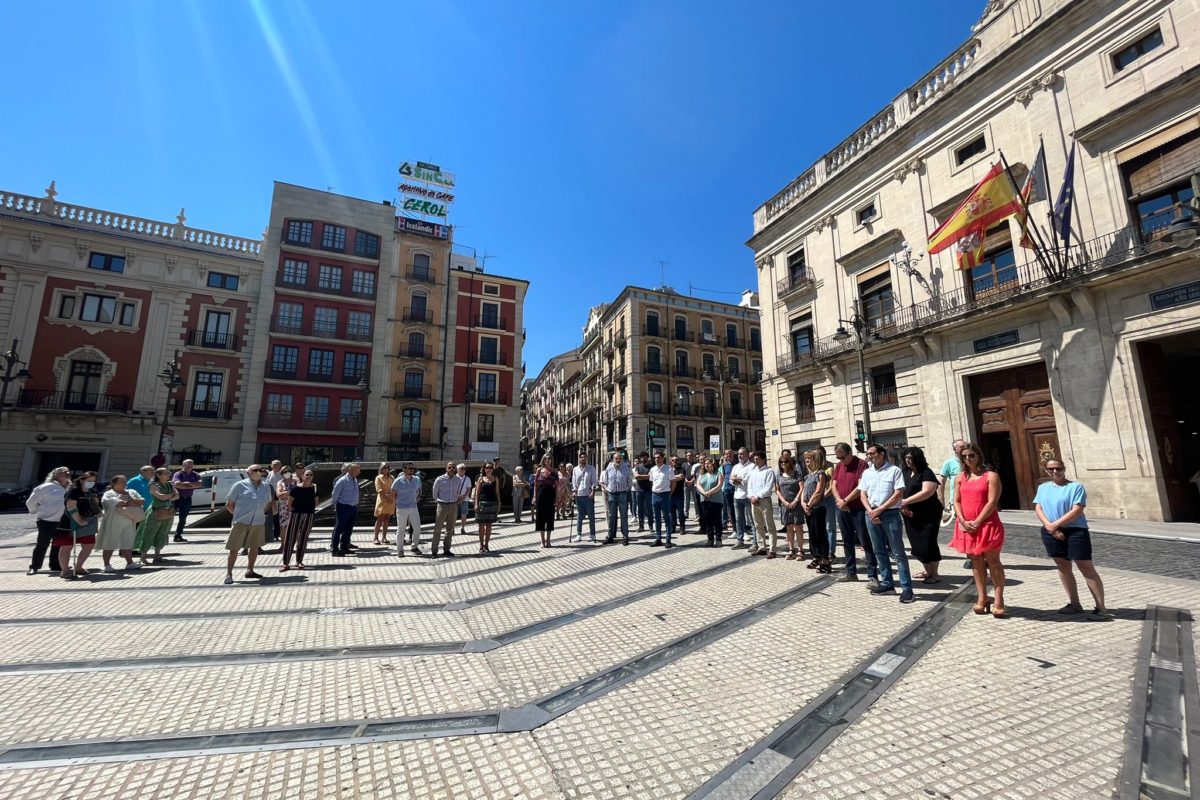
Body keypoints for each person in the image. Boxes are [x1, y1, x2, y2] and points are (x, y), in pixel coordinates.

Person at [1034, 459, 1108, 618]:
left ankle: (1101, 608)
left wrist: (1056, 524)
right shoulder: (1043, 488)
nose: (1055, 471)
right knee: (1062, 566)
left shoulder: (1075, 487)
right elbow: (1038, 507)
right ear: (1046, 470)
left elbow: (1077, 509)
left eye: (1058, 468)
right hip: (1050, 530)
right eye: (1051, 469)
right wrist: (1050, 526)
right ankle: (1074, 603)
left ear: (1064, 468)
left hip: (1075, 530)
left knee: (1085, 566)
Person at [951, 442, 1006, 617]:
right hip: (967, 525)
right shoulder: (960, 477)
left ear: (979, 456)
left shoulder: (991, 476)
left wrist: (978, 521)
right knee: (976, 562)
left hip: (987, 524)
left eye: (971, 455)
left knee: (993, 562)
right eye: (964, 456)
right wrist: (962, 520)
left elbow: (992, 502)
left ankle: (999, 599)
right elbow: (957, 500)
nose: (968, 459)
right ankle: (982, 597)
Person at [859, 444, 913, 603]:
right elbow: (863, 494)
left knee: (898, 552)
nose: (869, 457)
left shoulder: (894, 470)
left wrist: (880, 509)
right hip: (871, 514)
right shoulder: (867, 472)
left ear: (882, 454)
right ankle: (887, 583)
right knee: (878, 550)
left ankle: (907, 588)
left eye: (872, 454)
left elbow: (898, 493)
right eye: (868, 454)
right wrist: (871, 510)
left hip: (889, 514)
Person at [832, 443, 877, 586]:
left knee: (865, 541)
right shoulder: (839, 466)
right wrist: (839, 501)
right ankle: (851, 572)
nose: (841, 460)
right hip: (842, 509)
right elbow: (833, 485)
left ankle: (872, 576)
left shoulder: (861, 464)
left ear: (850, 453)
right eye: (838, 458)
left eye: (843, 457)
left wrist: (845, 500)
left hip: (857, 508)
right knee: (847, 541)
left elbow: (860, 486)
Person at [222, 464, 274, 584]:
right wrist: (238, 516)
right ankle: (229, 574)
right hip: (241, 521)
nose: (258, 472)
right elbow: (229, 504)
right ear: (248, 472)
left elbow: (267, 503)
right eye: (255, 470)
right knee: (234, 548)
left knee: (254, 547)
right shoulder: (239, 485)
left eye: (259, 470)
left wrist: (261, 512)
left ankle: (250, 570)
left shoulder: (266, 486)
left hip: (258, 521)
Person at [899, 447, 944, 584]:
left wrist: (905, 501)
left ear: (918, 458)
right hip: (910, 514)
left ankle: (934, 574)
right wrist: (902, 505)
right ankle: (927, 571)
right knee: (917, 543)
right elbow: (899, 490)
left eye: (911, 457)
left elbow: (927, 491)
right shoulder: (905, 472)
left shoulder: (926, 472)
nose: (908, 460)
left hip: (928, 513)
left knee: (928, 542)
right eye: (906, 457)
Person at [25, 466, 70, 575]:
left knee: (58, 544)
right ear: (56, 475)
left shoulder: (71, 487)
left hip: (63, 521)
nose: (68, 473)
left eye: (69, 472)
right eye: (65, 472)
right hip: (46, 520)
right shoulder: (45, 487)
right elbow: (31, 502)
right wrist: (37, 510)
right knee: (42, 544)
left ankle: (55, 565)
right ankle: (34, 566)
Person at [57, 471, 101, 579]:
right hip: (71, 522)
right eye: (89, 480)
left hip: (89, 522)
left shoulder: (91, 492)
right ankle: (65, 571)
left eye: (93, 481)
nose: (92, 483)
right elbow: (71, 506)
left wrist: (98, 511)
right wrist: (79, 520)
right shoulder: (74, 491)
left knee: (88, 545)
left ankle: (79, 567)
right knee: (67, 546)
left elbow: (95, 505)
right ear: (82, 480)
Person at [98, 475, 143, 572]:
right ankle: (106, 564)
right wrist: (131, 502)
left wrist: (131, 501)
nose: (124, 484)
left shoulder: (132, 492)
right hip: (113, 522)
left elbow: (142, 501)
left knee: (127, 542)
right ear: (114, 484)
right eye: (121, 482)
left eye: (125, 481)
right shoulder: (109, 493)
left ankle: (130, 563)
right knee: (109, 543)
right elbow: (116, 503)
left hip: (129, 521)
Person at [135, 467, 179, 566]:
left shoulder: (170, 484)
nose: (168, 475)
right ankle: (143, 557)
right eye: (166, 473)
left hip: (168, 512)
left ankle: (157, 556)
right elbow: (160, 496)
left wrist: (167, 496)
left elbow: (177, 496)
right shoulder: (153, 484)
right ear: (158, 475)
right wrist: (171, 496)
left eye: (168, 473)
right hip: (155, 512)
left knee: (163, 533)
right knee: (149, 533)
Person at [938, 439, 971, 568]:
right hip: (958, 502)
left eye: (966, 445)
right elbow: (941, 480)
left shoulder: (972, 460)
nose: (965, 448)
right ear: (955, 449)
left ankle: (980, 554)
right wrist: (942, 500)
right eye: (961, 446)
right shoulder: (950, 463)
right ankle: (970, 556)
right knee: (964, 530)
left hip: (973, 501)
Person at [280, 469, 317, 570]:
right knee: (290, 537)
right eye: (307, 474)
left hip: (309, 514)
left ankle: (299, 561)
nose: (309, 476)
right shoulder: (295, 488)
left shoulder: (314, 488)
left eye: (311, 474)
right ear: (302, 476)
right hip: (296, 514)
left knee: (303, 538)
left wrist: (310, 510)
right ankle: (285, 563)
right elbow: (290, 502)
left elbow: (316, 501)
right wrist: (292, 511)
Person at [801, 450, 831, 572]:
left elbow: (818, 492)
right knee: (812, 534)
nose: (807, 461)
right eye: (806, 459)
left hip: (818, 507)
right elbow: (803, 490)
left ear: (815, 460)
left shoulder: (820, 474)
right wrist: (803, 504)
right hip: (808, 508)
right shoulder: (807, 476)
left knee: (820, 534)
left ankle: (825, 560)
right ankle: (816, 557)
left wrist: (809, 504)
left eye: (809, 458)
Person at [748, 450, 779, 557]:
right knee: (758, 525)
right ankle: (761, 547)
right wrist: (751, 496)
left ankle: (772, 549)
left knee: (770, 526)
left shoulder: (769, 471)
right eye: (754, 459)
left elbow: (768, 487)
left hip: (764, 500)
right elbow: (750, 486)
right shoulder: (753, 471)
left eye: (757, 459)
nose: (755, 461)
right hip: (754, 502)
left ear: (763, 459)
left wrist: (757, 496)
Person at [776, 453, 805, 560]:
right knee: (788, 527)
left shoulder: (796, 474)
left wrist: (796, 500)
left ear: (790, 462)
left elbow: (802, 487)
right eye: (781, 462)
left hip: (796, 504)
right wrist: (784, 502)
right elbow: (777, 490)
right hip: (785, 505)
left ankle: (801, 550)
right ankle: (791, 549)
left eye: (785, 462)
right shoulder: (779, 475)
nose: (783, 464)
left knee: (798, 527)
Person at [601, 451, 633, 544]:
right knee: (611, 516)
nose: (618, 460)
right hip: (612, 494)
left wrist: (626, 489)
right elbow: (606, 480)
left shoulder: (626, 468)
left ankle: (625, 537)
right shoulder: (609, 468)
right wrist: (608, 489)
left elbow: (630, 481)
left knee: (624, 516)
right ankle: (610, 536)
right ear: (613, 459)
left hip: (623, 494)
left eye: (619, 458)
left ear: (622, 459)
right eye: (616, 458)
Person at [429, 462, 461, 557]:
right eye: (449, 467)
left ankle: (446, 549)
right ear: (446, 468)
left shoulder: (458, 480)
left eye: (453, 467)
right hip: (442, 505)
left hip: (453, 505)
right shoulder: (440, 479)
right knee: (437, 529)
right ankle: (434, 551)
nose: (451, 469)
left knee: (450, 529)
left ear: (455, 469)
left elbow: (458, 491)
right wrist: (439, 501)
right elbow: (435, 493)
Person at [330, 462, 361, 557]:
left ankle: (344, 547)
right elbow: (335, 493)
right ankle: (335, 549)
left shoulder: (354, 480)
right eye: (357, 470)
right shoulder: (342, 480)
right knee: (339, 528)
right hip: (343, 506)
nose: (359, 472)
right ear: (351, 470)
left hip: (353, 507)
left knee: (348, 528)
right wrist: (335, 504)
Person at [392, 462, 423, 555]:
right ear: (404, 469)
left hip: (413, 507)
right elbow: (392, 494)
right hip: (401, 508)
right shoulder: (398, 481)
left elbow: (419, 491)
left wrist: (417, 498)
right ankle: (400, 550)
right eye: (410, 468)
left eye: (413, 468)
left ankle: (414, 547)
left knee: (417, 528)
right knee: (401, 529)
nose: (412, 470)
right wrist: (395, 506)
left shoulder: (417, 479)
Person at [696, 455, 725, 547]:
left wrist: (710, 492)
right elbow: (698, 484)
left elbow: (720, 485)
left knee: (717, 520)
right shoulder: (702, 474)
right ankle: (710, 539)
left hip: (716, 500)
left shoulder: (718, 474)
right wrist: (704, 492)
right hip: (704, 500)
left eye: (708, 463)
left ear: (713, 464)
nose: (706, 465)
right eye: (705, 464)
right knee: (708, 520)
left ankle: (719, 539)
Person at [171, 459, 202, 543]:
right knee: (169, 516)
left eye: (191, 464)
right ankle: (164, 534)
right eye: (187, 464)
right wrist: (192, 485)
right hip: (176, 498)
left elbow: (199, 484)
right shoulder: (178, 474)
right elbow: (177, 485)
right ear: (183, 465)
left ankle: (178, 536)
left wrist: (185, 484)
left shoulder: (195, 474)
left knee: (183, 518)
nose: (189, 466)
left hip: (187, 498)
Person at [816, 446, 839, 562]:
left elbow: (831, 487)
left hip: (827, 499)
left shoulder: (829, 467)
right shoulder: (814, 468)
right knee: (820, 527)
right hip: (817, 500)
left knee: (830, 527)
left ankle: (831, 552)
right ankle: (822, 552)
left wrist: (821, 496)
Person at [649, 451, 676, 548]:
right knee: (657, 518)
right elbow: (653, 482)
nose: (656, 459)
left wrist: (669, 494)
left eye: (658, 457)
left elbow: (673, 482)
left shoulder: (668, 469)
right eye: (655, 458)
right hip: (655, 495)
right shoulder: (652, 470)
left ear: (662, 458)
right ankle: (658, 539)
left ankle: (668, 539)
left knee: (666, 517)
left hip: (665, 495)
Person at [730, 448, 755, 550]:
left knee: (752, 520)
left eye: (742, 454)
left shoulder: (752, 466)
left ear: (747, 455)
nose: (740, 456)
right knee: (738, 519)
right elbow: (730, 480)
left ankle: (755, 542)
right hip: (737, 496)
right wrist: (737, 479)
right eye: (739, 454)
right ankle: (740, 540)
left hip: (748, 496)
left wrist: (737, 479)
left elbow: (749, 479)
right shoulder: (736, 466)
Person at [473, 462, 500, 553]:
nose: (489, 469)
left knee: (489, 525)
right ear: (484, 469)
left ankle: (486, 545)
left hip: (492, 503)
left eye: (491, 467)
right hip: (482, 503)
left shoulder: (496, 479)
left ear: (493, 469)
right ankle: (481, 545)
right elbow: (477, 492)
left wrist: (499, 503)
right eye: (487, 467)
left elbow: (497, 492)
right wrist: (476, 504)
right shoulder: (480, 479)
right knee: (481, 525)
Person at [572, 454, 598, 543]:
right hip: (579, 495)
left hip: (588, 494)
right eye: (581, 457)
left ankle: (592, 534)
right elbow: (574, 481)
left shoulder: (591, 468)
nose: (583, 459)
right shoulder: (575, 469)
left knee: (591, 516)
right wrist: (574, 492)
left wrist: (593, 492)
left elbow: (594, 481)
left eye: (585, 457)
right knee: (579, 516)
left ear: (587, 458)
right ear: (579, 458)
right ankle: (578, 534)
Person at [533, 455, 558, 546]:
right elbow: (536, 484)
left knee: (550, 517)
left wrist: (556, 497)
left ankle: (548, 540)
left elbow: (556, 486)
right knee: (541, 517)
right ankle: (542, 540)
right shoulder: (539, 470)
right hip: (541, 493)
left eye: (549, 458)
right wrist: (534, 497)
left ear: (551, 460)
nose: (547, 460)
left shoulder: (554, 471)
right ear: (543, 460)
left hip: (551, 494)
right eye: (545, 459)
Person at [373, 463, 395, 546]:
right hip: (382, 500)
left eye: (387, 467)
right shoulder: (378, 477)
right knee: (380, 518)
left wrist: (391, 497)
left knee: (387, 518)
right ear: (381, 469)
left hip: (390, 500)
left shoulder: (391, 477)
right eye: (384, 467)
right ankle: (375, 537)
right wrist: (387, 497)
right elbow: (379, 489)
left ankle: (384, 537)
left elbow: (394, 488)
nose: (386, 469)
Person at [264, 460, 285, 544]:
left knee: (278, 518)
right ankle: (272, 535)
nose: (276, 466)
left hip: (279, 499)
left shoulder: (282, 474)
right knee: (270, 518)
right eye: (274, 464)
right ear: (271, 465)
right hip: (269, 499)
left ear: (280, 465)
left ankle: (277, 534)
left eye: (278, 464)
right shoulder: (269, 474)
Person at [633, 452, 652, 532]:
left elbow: (652, 477)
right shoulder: (637, 466)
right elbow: (636, 476)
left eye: (645, 457)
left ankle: (651, 526)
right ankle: (641, 526)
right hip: (639, 490)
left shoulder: (651, 467)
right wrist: (647, 476)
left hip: (648, 490)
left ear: (647, 458)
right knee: (640, 509)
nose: (643, 459)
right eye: (642, 457)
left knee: (649, 509)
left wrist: (641, 477)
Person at [669, 455, 687, 535]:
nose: (675, 462)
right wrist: (673, 478)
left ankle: (682, 528)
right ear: (671, 461)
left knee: (680, 512)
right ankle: (673, 528)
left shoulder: (682, 469)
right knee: (671, 512)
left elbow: (681, 477)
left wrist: (670, 478)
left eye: (676, 460)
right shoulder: (669, 470)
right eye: (673, 460)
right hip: (670, 494)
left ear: (679, 461)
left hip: (679, 495)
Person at [720, 450, 736, 534]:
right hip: (726, 489)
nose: (728, 455)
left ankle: (741, 528)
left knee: (737, 510)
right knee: (729, 510)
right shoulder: (724, 465)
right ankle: (734, 529)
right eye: (727, 454)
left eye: (730, 453)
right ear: (725, 456)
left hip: (736, 490)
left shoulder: (737, 465)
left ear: (733, 455)